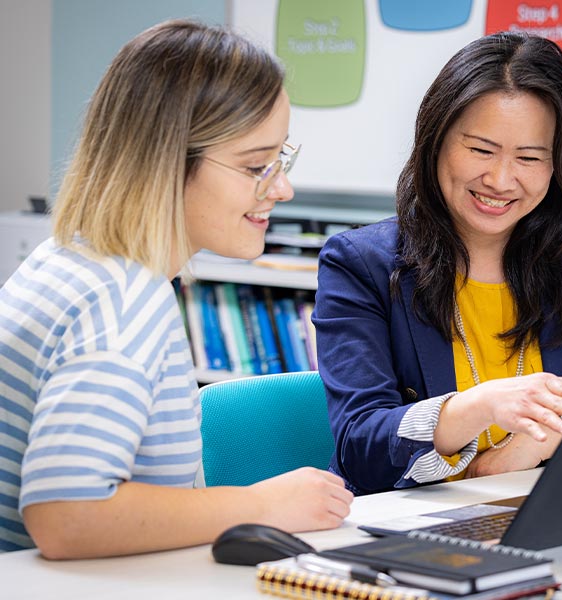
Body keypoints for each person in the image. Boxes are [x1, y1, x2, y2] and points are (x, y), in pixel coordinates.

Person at [0, 20, 352, 558]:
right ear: (166, 161)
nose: (282, 187)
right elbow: (65, 516)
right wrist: (261, 504)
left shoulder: (70, 255)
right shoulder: (122, 301)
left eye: (281, 160)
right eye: (257, 166)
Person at [313, 31, 562, 496]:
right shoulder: (360, 264)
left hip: (541, 512)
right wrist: (479, 408)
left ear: (558, 164)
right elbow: (360, 450)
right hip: (409, 527)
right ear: (436, 141)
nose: (501, 180)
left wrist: (536, 451)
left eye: (529, 157)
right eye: (481, 150)